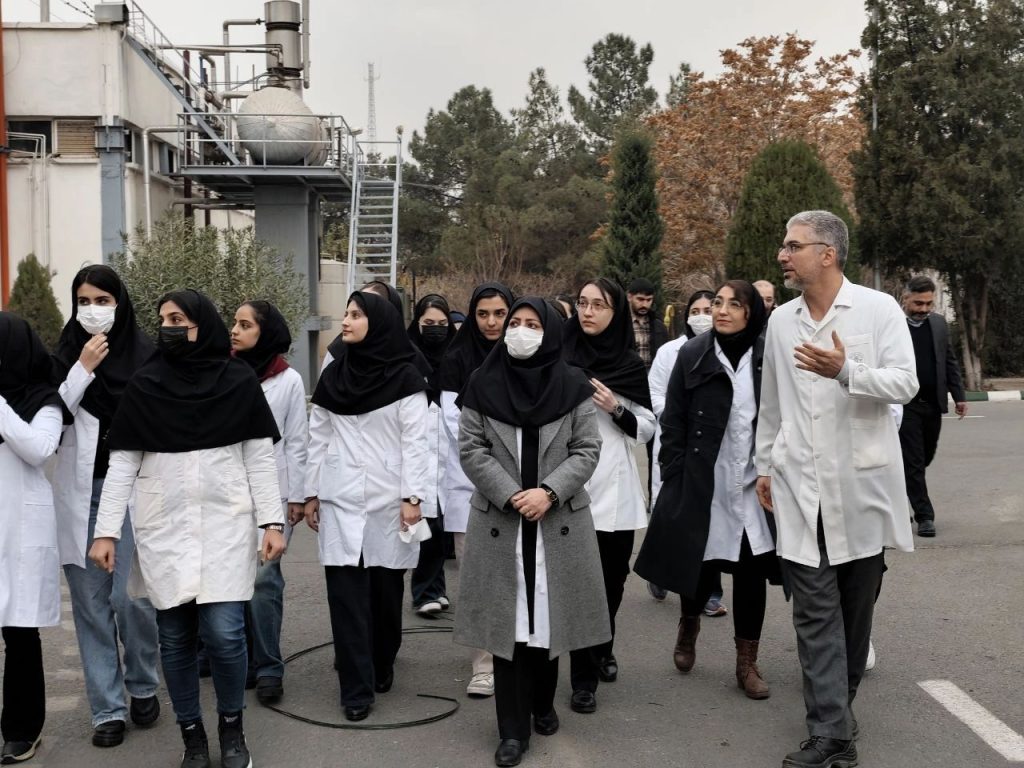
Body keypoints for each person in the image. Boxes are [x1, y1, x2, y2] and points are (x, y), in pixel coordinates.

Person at [88, 289, 286, 768]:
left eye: (178, 319)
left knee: (226, 633)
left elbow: (260, 459)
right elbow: (122, 464)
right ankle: (192, 735)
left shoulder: (238, 380)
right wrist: (106, 531)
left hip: (225, 523)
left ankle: (232, 728)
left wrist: (272, 521)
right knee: (175, 638)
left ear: (202, 323)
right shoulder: (146, 383)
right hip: (165, 527)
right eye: (163, 320)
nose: (169, 328)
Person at [755, 211, 917, 768]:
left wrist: (847, 371)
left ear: (827, 253)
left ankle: (837, 715)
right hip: (801, 485)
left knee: (854, 612)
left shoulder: (878, 308)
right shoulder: (782, 321)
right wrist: (764, 466)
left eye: (793, 245)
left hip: (860, 485)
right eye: (784, 245)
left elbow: (906, 382)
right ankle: (830, 731)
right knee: (813, 612)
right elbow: (772, 403)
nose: (783, 255)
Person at [455, 297, 608, 768]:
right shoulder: (482, 382)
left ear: (552, 333)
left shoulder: (573, 385)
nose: (520, 331)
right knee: (510, 625)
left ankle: (543, 702)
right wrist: (511, 494)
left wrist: (549, 492)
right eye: (515, 323)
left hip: (556, 521)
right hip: (501, 519)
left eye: (533, 324)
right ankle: (511, 730)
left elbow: (587, 448)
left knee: (547, 616)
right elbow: (471, 448)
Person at [635, 280, 780, 700]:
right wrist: (674, 475)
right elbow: (674, 420)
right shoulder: (693, 354)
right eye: (717, 302)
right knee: (699, 565)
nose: (721, 310)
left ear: (752, 312)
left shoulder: (767, 355)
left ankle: (747, 662)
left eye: (734, 304)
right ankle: (689, 625)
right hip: (702, 480)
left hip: (753, 483)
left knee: (751, 572)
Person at [304, 291, 430, 722]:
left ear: (378, 323)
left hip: (388, 501)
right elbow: (318, 436)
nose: (346, 321)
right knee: (345, 596)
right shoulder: (334, 375)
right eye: (346, 313)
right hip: (340, 498)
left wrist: (413, 498)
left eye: (356, 314)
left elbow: (417, 444)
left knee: (384, 592)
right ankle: (355, 689)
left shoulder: (406, 377)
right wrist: (311, 492)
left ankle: (382, 658)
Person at [51, 265, 161, 747]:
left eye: (103, 300)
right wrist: (81, 370)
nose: (92, 309)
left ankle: (143, 682)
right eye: (84, 300)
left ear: (121, 303)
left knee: (130, 598)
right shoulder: (63, 357)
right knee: (91, 606)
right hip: (82, 493)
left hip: (135, 493)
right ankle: (107, 709)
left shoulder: (148, 357)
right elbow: (51, 422)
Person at [562, 278, 655, 713]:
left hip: (615, 490)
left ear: (616, 313)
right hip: (567, 486)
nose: (588, 311)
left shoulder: (628, 366)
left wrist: (616, 409)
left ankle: (603, 645)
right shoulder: (559, 359)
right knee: (581, 585)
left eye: (598, 305)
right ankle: (583, 680)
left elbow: (648, 427)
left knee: (612, 582)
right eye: (582, 303)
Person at [230, 300, 308, 704]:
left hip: (273, 494)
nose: (235, 330)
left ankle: (269, 666)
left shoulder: (288, 379)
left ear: (266, 332)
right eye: (235, 323)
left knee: (264, 580)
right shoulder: (223, 370)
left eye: (245, 325)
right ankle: (242, 659)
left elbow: (297, 441)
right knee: (234, 578)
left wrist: (297, 495)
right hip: (229, 493)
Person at [439, 281, 515, 698]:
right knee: (479, 580)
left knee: (519, 577)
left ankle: (517, 656)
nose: (491, 322)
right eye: (482, 314)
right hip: (470, 487)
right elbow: (459, 432)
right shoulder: (457, 360)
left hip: (525, 489)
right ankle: (483, 664)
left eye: (500, 314)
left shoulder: (526, 357)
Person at [0, 313, 67, 766]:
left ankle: (22, 730)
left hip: (21, 529)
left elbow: (38, 449)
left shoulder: (44, 402)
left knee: (20, 631)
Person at [645, 289, 717, 605]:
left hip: (712, 444)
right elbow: (654, 393)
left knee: (710, 515)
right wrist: (679, 416)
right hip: (675, 439)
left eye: (708, 310)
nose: (701, 316)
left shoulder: (727, 350)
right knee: (670, 510)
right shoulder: (669, 351)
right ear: (687, 316)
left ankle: (709, 591)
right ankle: (659, 571)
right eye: (695, 311)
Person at [898, 275, 967, 537]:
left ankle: (900, 496)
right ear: (905, 298)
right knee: (914, 461)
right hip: (905, 405)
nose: (924, 309)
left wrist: (959, 396)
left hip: (933, 405)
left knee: (925, 456)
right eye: (918, 303)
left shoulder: (938, 324)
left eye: (929, 303)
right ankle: (924, 516)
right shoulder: (893, 324)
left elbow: (948, 360)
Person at [406, 294, 456, 616]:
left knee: (442, 524)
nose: (436, 330)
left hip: (449, 448)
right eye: (428, 324)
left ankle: (435, 588)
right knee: (426, 520)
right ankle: (426, 591)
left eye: (441, 324)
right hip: (417, 448)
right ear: (417, 324)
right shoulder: (406, 357)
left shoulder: (457, 357)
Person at [626, 278, 669, 372]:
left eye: (649, 300)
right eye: (640, 299)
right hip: (626, 377)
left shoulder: (659, 327)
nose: (644, 304)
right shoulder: (619, 324)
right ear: (629, 297)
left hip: (653, 377)